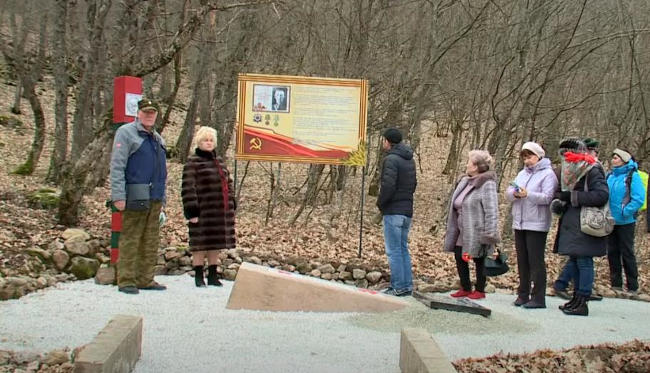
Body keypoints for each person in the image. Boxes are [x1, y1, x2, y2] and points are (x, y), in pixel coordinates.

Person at [110, 99, 168, 294]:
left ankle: (145, 278)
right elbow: (117, 166)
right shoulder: (126, 133)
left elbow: (162, 171)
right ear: (138, 113)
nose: (149, 115)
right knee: (131, 237)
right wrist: (118, 195)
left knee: (150, 240)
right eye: (146, 112)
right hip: (135, 194)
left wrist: (164, 199)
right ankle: (126, 280)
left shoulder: (158, 139)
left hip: (155, 196)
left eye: (152, 113)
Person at [550, 138, 609, 316]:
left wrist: (572, 197)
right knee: (575, 259)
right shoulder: (569, 172)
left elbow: (601, 195)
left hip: (586, 222)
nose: (564, 158)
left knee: (584, 261)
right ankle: (576, 298)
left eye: (567, 154)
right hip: (572, 221)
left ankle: (583, 299)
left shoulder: (592, 169)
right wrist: (561, 200)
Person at [181, 126, 237, 287]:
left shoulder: (218, 161)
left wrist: (232, 202)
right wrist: (191, 211)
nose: (209, 143)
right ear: (199, 142)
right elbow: (188, 188)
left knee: (215, 244)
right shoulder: (193, 163)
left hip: (219, 211)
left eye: (211, 140)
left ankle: (213, 274)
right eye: (205, 140)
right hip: (202, 210)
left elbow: (228, 182)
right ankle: (199, 275)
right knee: (200, 245)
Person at [506, 142, 558, 308]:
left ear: (539, 156)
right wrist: (515, 193)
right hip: (520, 221)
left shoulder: (548, 174)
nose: (527, 161)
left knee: (536, 261)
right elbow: (508, 192)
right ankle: (523, 293)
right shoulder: (522, 174)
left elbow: (547, 198)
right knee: (522, 260)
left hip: (537, 223)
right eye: (525, 157)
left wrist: (528, 194)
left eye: (530, 157)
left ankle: (538, 297)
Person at [443, 150, 500, 300]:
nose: (466, 164)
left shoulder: (487, 184)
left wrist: (490, 234)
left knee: (478, 258)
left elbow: (492, 210)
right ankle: (465, 286)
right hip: (461, 229)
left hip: (477, 230)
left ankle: (480, 289)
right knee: (460, 255)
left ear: (475, 166)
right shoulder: (464, 181)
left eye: (469, 162)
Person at [376, 128, 417, 297]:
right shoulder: (409, 159)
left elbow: (388, 185)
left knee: (393, 250)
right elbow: (414, 184)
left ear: (388, 141)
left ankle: (398, 286)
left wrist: (381, 203)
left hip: (393, 210)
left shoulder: (391, 159)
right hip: (407, 209)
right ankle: (406, 285)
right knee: (402, 248)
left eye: (384, 140)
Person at [606, 148, 645, 295]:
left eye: (616, 157)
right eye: (613, 157)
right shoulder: (610, 176)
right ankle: (616, 284)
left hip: (626, 221)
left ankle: (633, 286)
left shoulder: (632, 176)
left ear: (624, 160)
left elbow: (638, 198)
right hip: (610, 220)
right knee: (612, 252)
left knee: (627, 252)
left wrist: (625, 212)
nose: (613, 159)